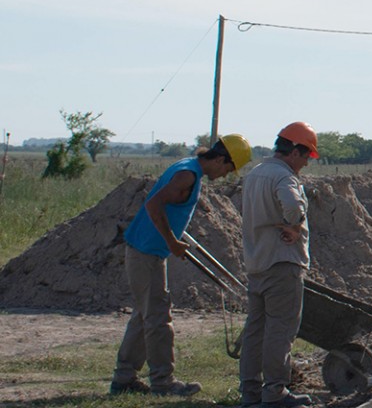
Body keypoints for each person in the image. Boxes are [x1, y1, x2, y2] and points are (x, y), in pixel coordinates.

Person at [110, 134, 252, 397]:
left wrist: (174, 239)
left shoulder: (188, 167)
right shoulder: (187, 175)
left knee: (145, 316)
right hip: (146, 251)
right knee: (158, 318)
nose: (225, 175)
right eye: (228, 169)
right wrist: (171, 241)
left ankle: (124, 378)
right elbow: (153, 205)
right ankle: (163, 382)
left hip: (147, 250)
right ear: (220, 159)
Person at [239, 122, 318, 408]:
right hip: (283, 264)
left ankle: (250, 393)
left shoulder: (255, 173)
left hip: (257, 262)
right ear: (295, 151)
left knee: (255, 330)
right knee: (280, 330)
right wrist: (294, 227)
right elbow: (294, 207)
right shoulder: (285, 178)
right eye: (306, 156)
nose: (306, 164)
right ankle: (274, 392)